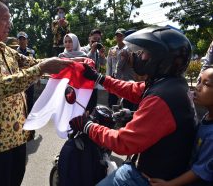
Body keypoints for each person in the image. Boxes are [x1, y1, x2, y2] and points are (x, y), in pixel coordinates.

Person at [0, 0, 72, 186]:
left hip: (18, 136)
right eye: (5, 19)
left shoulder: (4, 49)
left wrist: (71, 63)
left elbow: (34, 63)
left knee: (16, 181)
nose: (9, 24)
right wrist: (42, 69)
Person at [70, 26, 196, 185]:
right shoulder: (171, 84)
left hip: (144, 178)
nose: (139, 56)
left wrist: (88, 126)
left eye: (144, 53)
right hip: (157, 166)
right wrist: (99, 78)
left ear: (160, 58)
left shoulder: (161, 98)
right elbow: (133, 90)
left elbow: (123, 142)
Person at [150, 66, 213, 185]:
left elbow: (199, 171)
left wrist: (170, 184)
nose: (197, 87)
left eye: (206, 84)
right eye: (199, 81)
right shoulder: (207, 116)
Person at [106, 28, 136, 110]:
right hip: (113, 80)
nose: (119, 38)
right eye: (117, 36)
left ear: (125, 37)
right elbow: (109, 65)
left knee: (127, 105)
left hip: (126, 81)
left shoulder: (129, 49)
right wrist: (108, 78)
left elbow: (121, 66)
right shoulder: (112, 49)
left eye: (121, 36)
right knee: (111, 103)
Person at [81, 29, 106, 113]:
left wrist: (102, 56)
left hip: (94, 84)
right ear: (89, 38)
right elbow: (85, 61)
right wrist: (92, 50)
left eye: (98, 39)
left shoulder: (99, 51)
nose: (96, 41)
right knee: (83, 107)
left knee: (91, 108)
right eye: (94, 38)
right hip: (84, 84)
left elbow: (103, 65)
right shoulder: (83, 49)